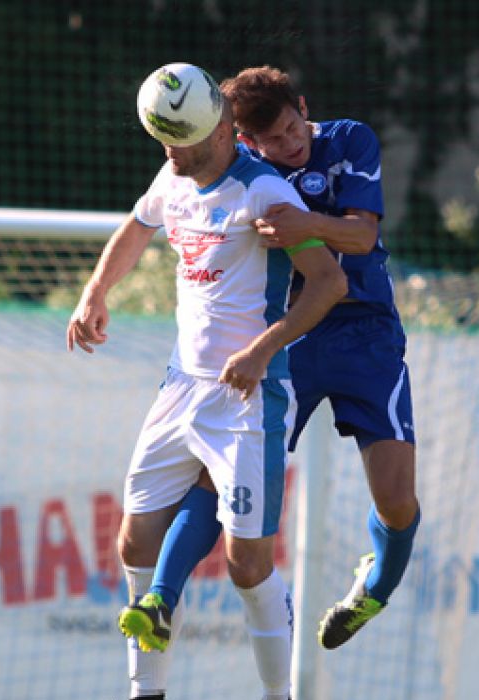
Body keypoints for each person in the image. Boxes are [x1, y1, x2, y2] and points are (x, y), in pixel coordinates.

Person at [68, 63, 347, 700]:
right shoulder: (173, 175)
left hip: (249, 397)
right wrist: (96, 293)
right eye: (167, 148)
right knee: (131, 539)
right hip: (180, 387)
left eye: (188, 148)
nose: (177, 161)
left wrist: (261, 351)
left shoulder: (262, 191)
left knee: (246, 564)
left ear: (226, 127)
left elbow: (329, 283)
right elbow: (136, 228)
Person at [132, 65, 422, 653]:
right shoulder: (249, 177)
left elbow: (362, 238)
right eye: (270, 141)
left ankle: (376, 584)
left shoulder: (349, 140)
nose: (289, 145)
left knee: (394, 496)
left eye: (293, 128)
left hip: (366, 333)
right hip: (292, 335)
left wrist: (302, 225)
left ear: (304, 107)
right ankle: (160, 597)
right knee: (220, 474)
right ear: (244, 141)